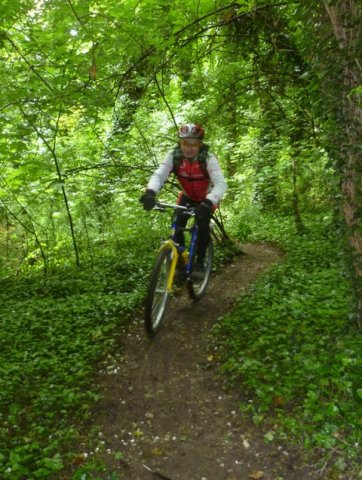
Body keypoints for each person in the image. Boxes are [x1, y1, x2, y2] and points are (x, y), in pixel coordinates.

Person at [140, 123, 227, 274]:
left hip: (207, 198)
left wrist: (208, 201)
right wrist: (151, 192)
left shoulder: (208, 158)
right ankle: (180, 262)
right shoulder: (174, 156)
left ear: (200, 144)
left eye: (193, 144)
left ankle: (200, 263)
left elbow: (221, 184)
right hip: (187, 196)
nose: (189, 148)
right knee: (176, 225)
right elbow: (160, 174)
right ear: (180, 142)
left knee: (202, 225)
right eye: (185, 143)